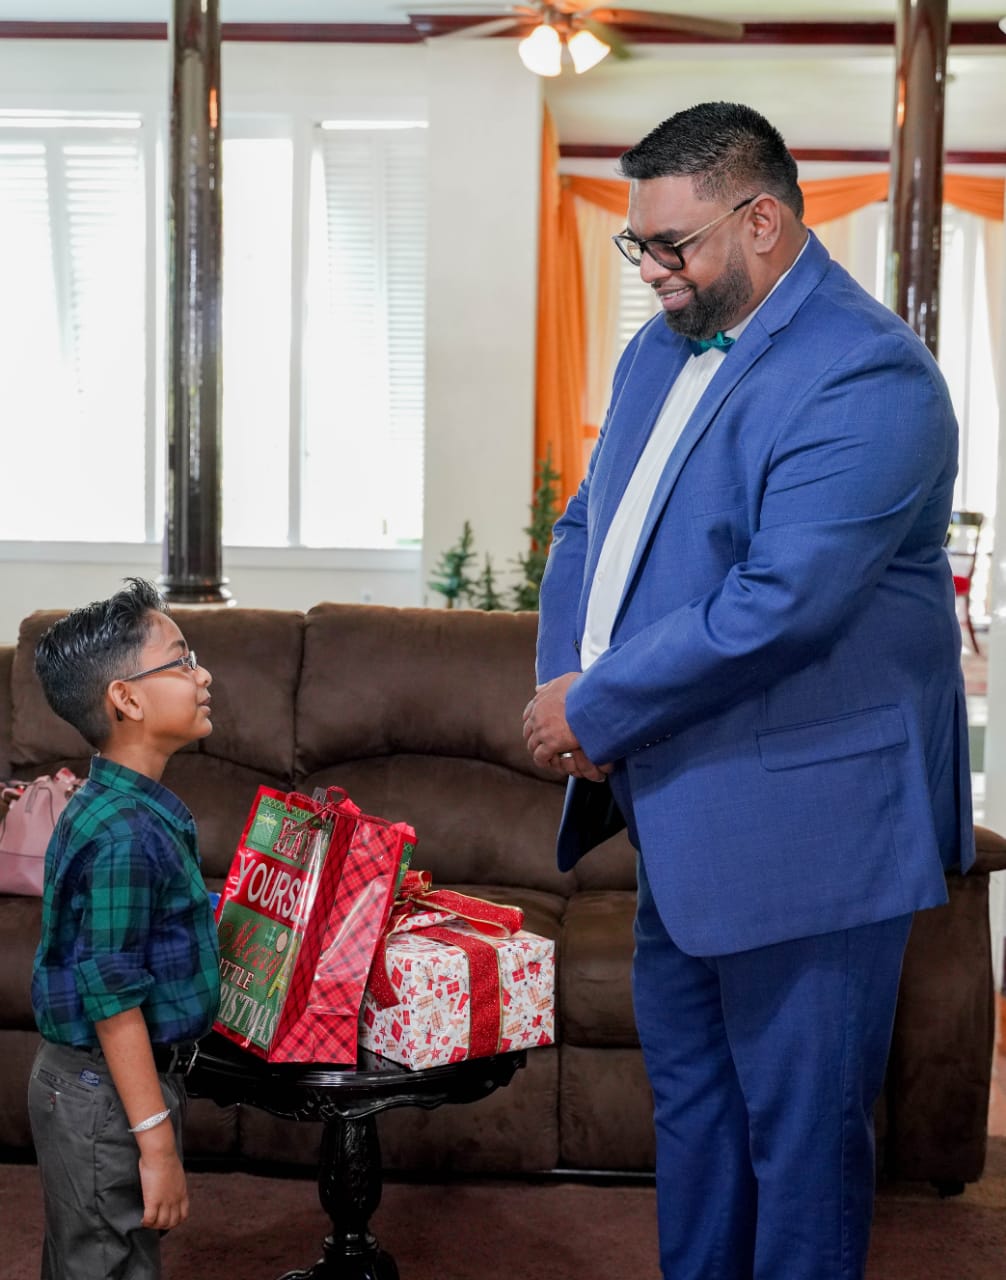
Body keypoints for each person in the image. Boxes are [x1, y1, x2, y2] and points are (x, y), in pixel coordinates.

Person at [523, 102, 972, 1280]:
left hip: (811, 833)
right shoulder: (653, 349)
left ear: (761, 220)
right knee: (695, 1120)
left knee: (802, 1141)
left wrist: (598, 707)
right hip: (679, 808)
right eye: (636, 243)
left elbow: (782, 602)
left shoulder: (868, 372)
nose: (650, 270)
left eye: (671, 244)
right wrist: (565, 681)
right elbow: (586, 526)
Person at [29, 577, 220, 1280]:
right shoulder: (126, 833)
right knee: (107, 1264)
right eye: (181, 659)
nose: (202, 674)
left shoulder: (121, 806)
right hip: (104, 1096)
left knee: (95, 1255)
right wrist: (157, 1144)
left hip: (100, 1092)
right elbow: (112, 998)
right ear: (127, 699)